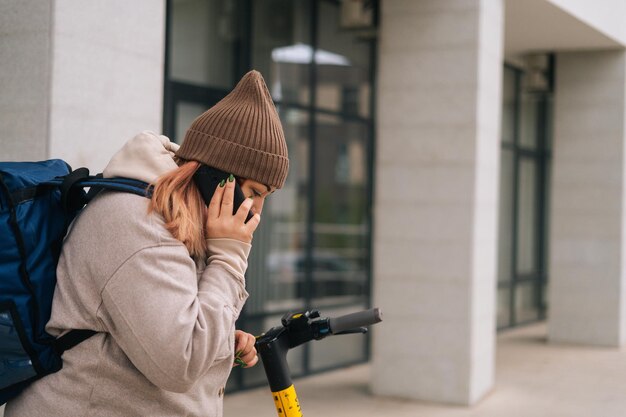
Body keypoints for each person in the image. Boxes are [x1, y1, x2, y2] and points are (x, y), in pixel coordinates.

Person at [4, 70, 289, 417]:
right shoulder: (139, 225)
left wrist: (218, 340)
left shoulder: (183, 225)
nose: (257, 210)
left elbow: (162, 325)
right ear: (217, 179)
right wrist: (229, 260)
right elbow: (180, 362)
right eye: (256, 193)